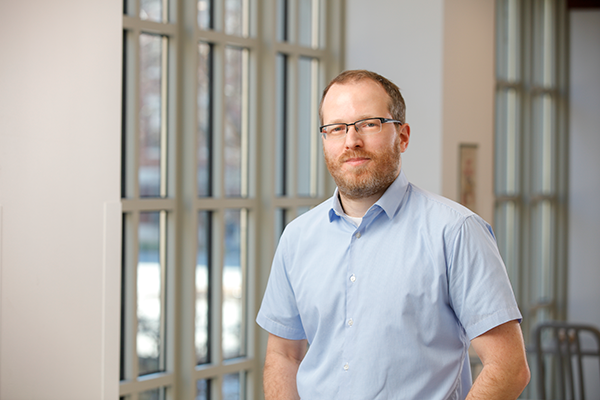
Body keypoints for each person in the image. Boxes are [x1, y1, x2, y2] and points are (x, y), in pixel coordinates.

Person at [256, 70, 530, 399]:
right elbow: (283, 355)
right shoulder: (296, 238)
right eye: (336, 128)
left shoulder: (456, 231)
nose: (351, 140)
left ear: (402, 136)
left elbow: (508, 366)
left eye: (368, 124)